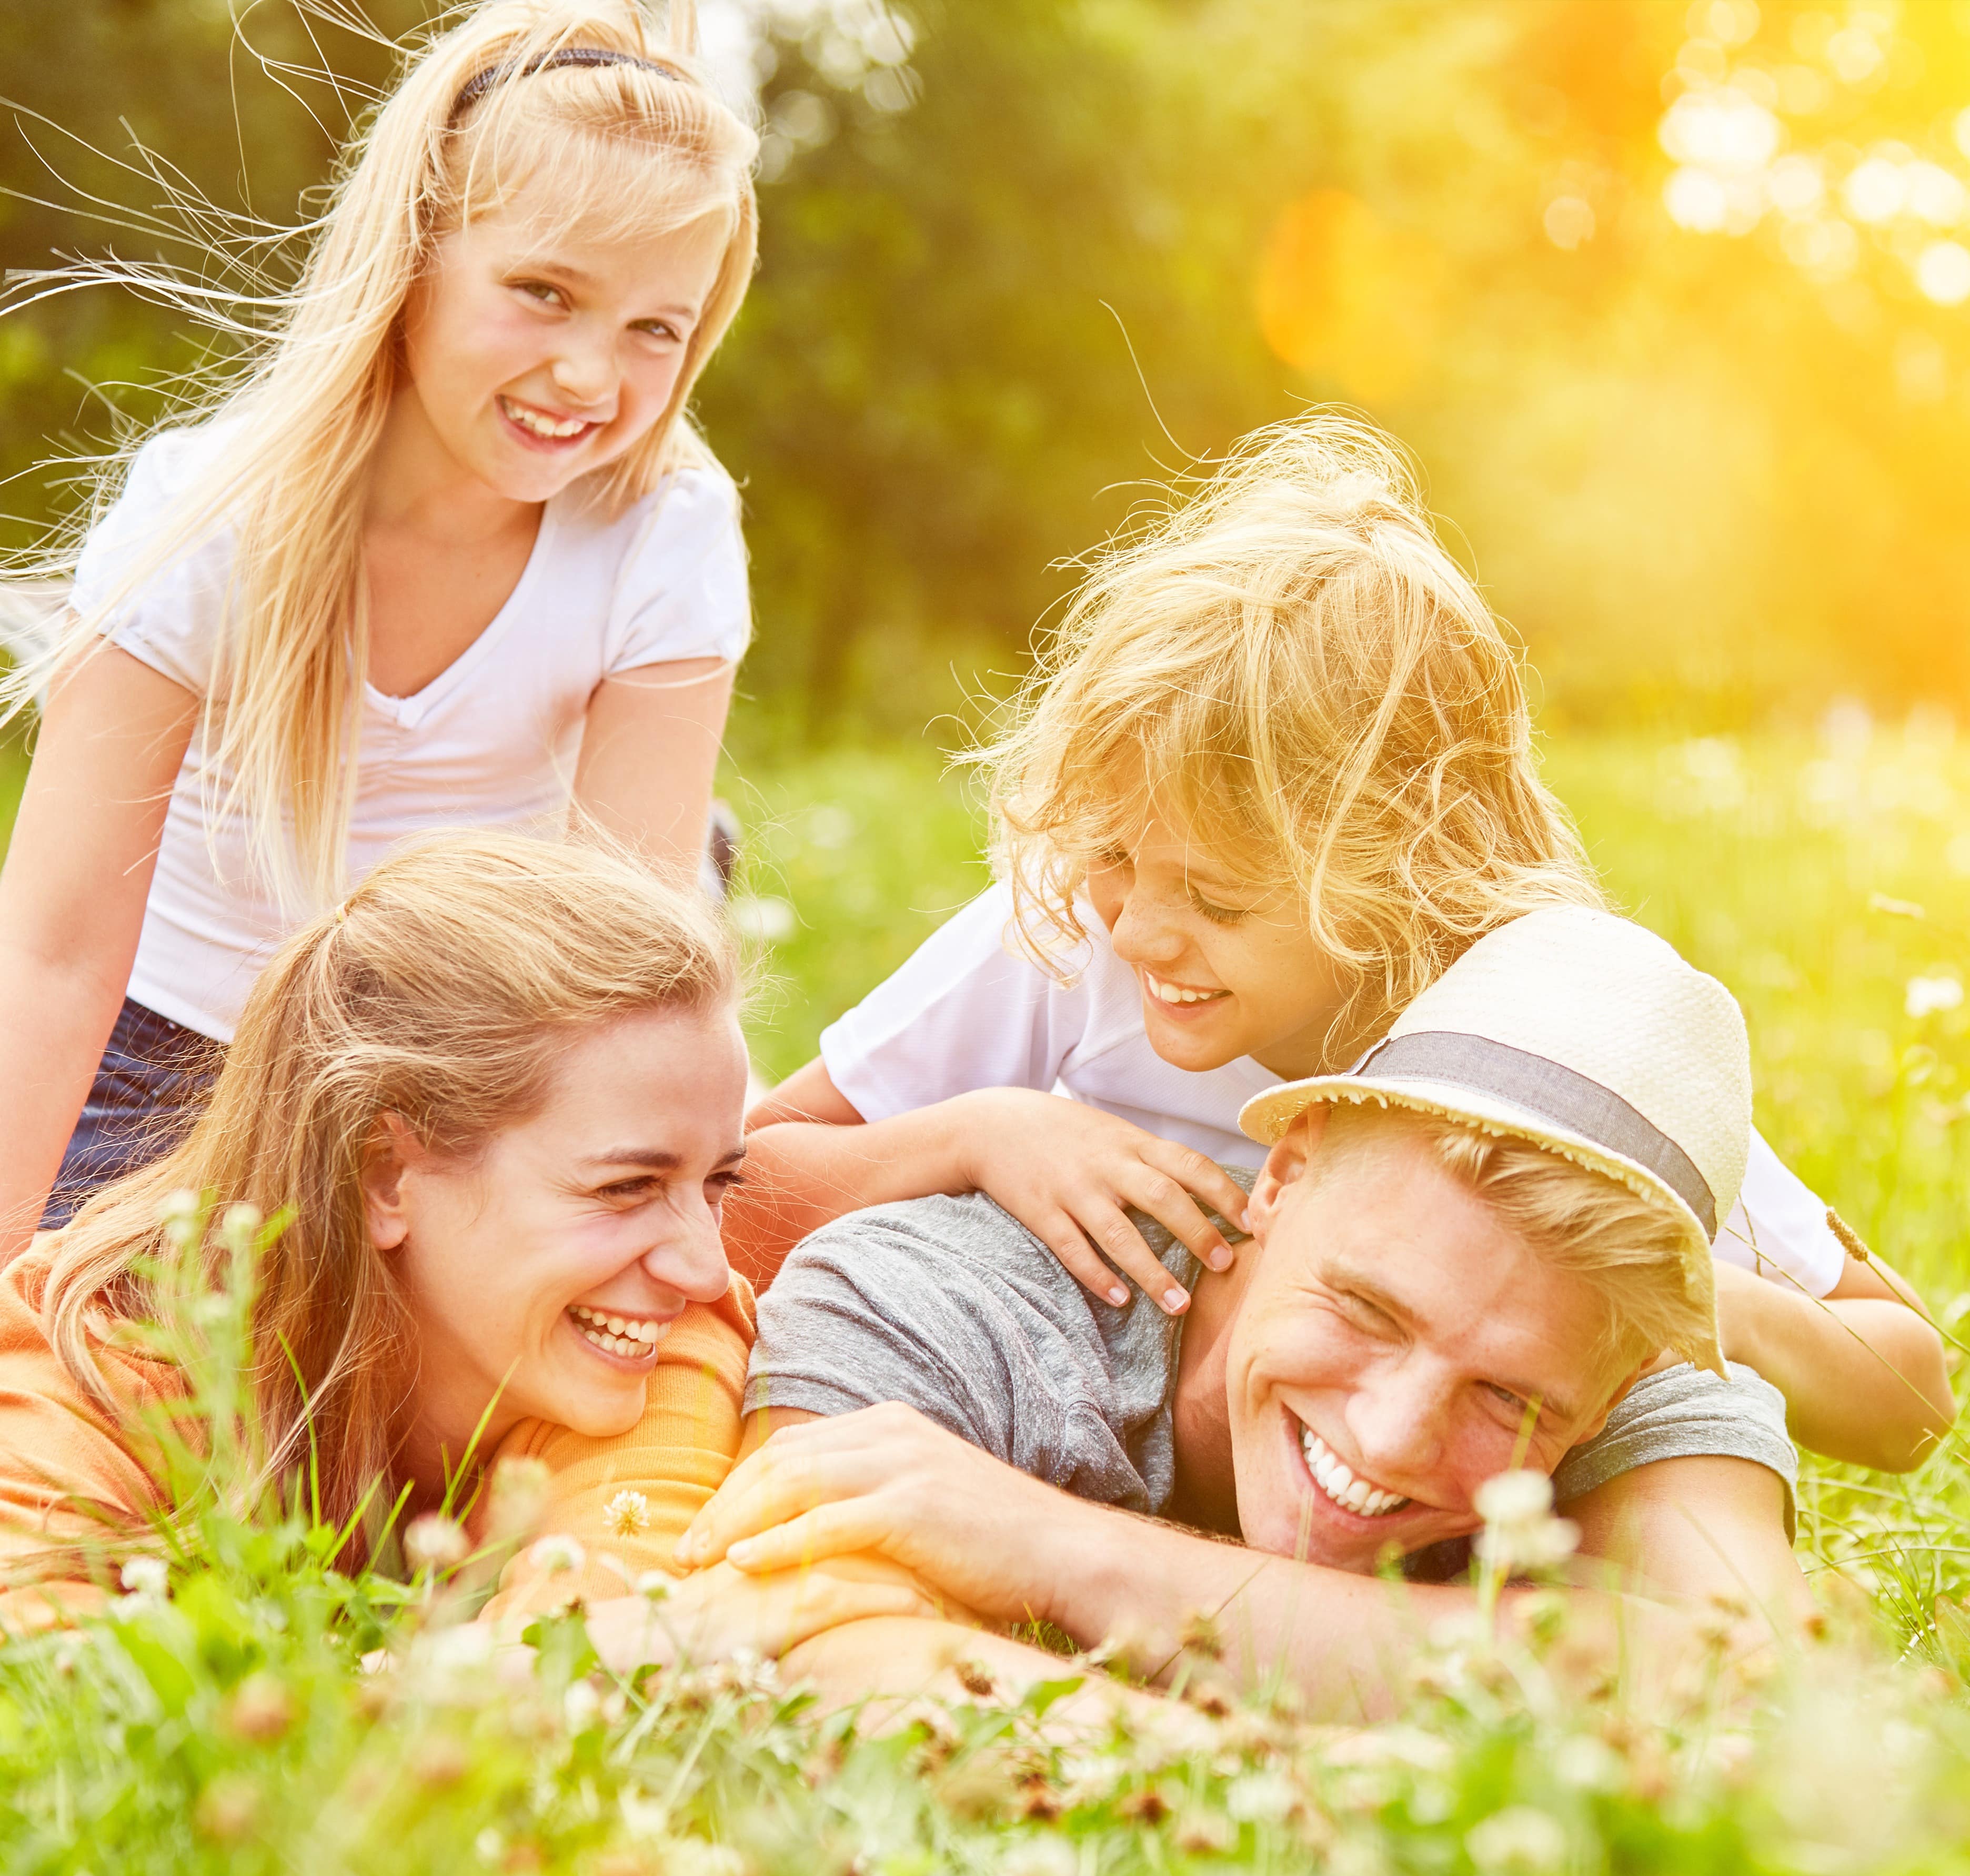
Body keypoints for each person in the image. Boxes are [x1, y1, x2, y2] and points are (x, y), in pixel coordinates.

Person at [729, 414, 1947, 1475]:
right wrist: (974, 1134)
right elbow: (728, 1189)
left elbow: (1907, 1395)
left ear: (1397, 869)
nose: (1143, 927)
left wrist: (1652, 1293)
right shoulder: (1061, 933)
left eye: (1215, 898)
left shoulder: (1538, 1027)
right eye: (1113, 855)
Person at [684, 907, 1916, 1715]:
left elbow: (1741, 1692)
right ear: (1285, 1169)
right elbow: (797, 1648)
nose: (1389, 1440)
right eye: (1370, 1310)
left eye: (1509, 1399)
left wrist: (1066, 1551)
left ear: (1628, 1379)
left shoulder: (1646, 1382)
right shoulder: (945, 1295)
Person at [0, 1, 759, 1258]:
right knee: (145, 1392)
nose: (590, 375)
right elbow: (55, 952)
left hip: (473, 1060)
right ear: (414, 258)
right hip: (171, 1047)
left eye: (652, 331)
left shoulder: (663, 528)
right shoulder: (214, 515)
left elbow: (614, 979)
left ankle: (705, 874)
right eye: (543, 292)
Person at [0, 831, 928, 1656]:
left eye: (716, 1183)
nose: (704, 1267)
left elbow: (597, 1645)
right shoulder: (98, 1350)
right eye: (626, 1186)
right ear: (385, 1176)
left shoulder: (656, 1342)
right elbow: (50, 1693)